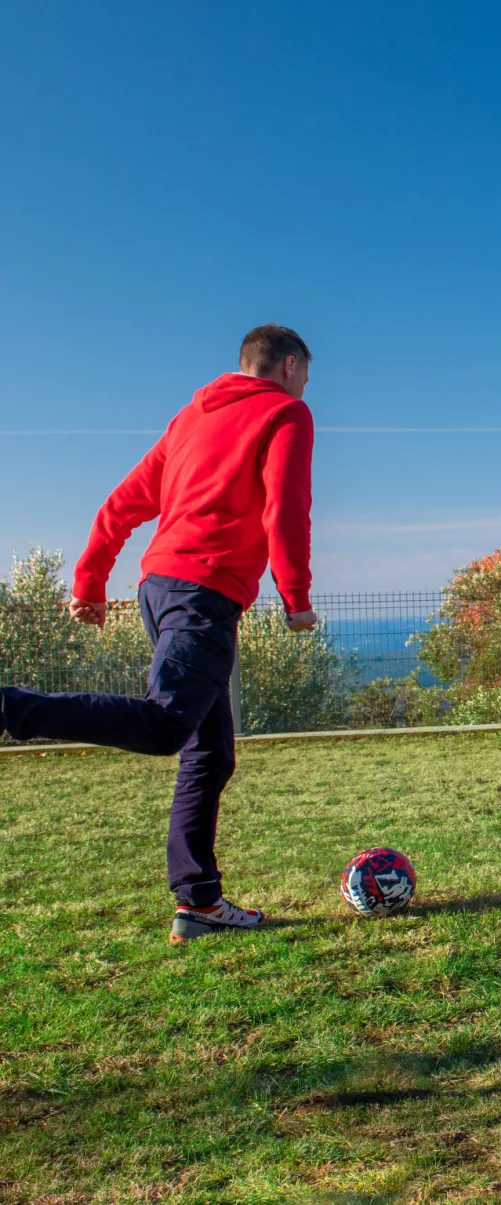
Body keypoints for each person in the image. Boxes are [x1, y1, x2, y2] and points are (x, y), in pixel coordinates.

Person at [0, 324, 318, 941]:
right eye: (306, 374)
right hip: (203, 591)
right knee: (169, 726)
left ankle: (198, 901)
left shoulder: (189, 419)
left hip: (161, 586)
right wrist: (296, 597)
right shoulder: (287, 412)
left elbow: (123, 503)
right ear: (286, 366)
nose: (307, 386)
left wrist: (90, 582)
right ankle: (11, 707)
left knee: (211, 750)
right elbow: (285, 505)